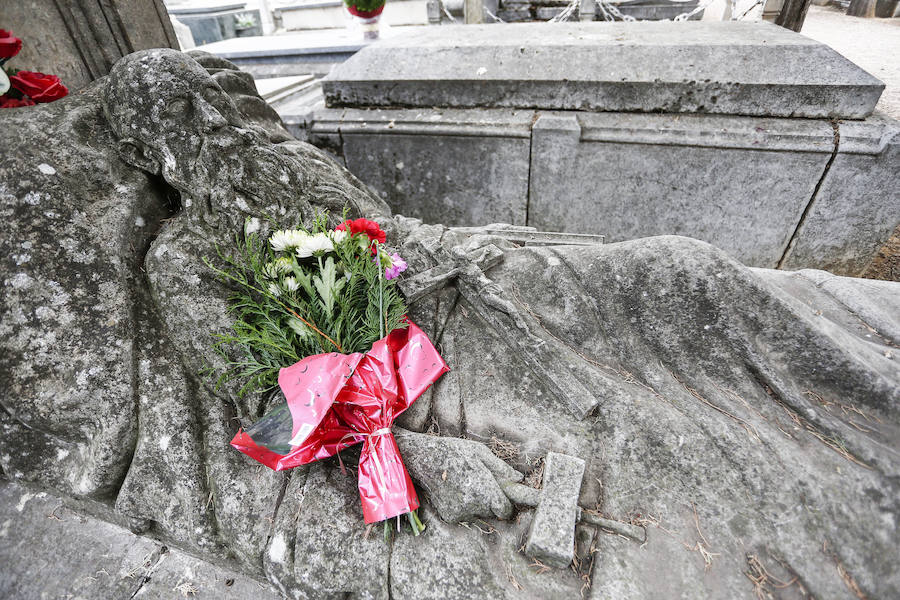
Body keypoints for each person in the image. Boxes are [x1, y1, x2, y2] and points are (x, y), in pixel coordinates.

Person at [2, 48, 897, 598]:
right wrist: (423, 455)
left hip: (471, 280)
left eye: (221, 98)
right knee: (666, 391)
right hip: (425, 375)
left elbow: (387, 238)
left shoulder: (287, 169)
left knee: (676, 271)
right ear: (161, 148)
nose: (217, 121)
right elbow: (269, 412)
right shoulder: (186, 264)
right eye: (188, 116)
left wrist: (445, 261)